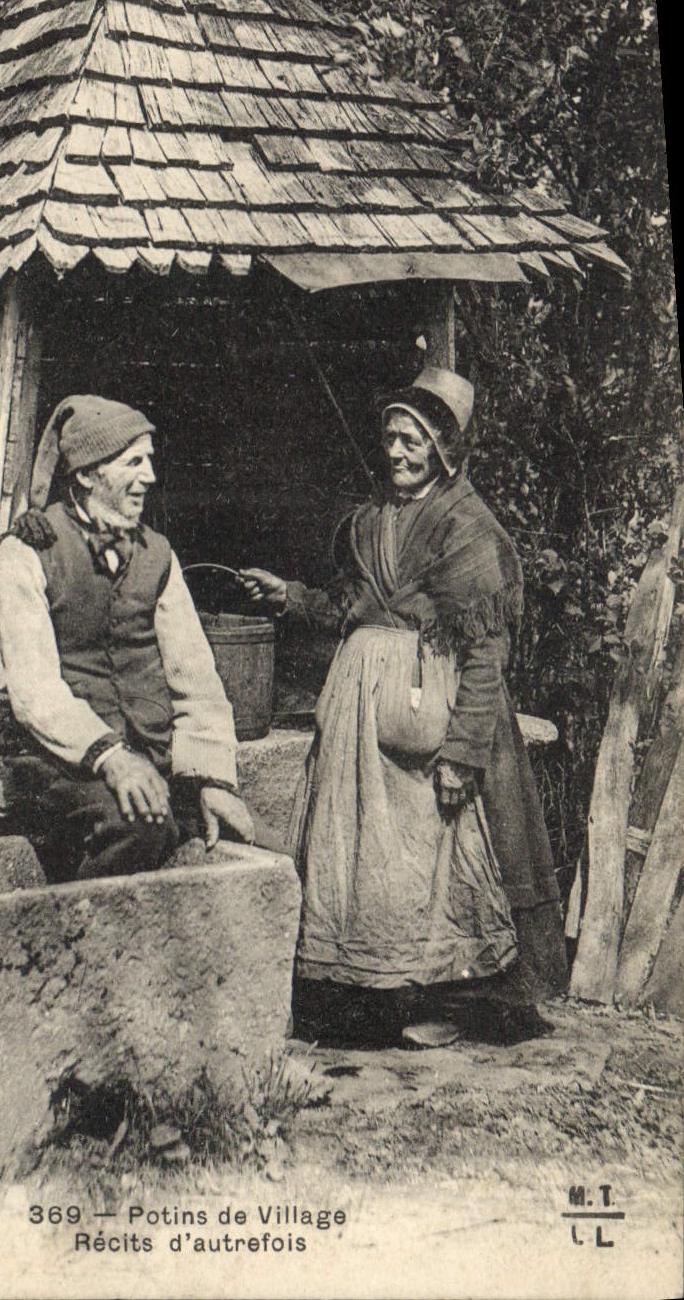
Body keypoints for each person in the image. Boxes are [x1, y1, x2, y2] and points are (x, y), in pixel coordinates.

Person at [240, 367, 568, 1047]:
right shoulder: (374, 522)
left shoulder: (467, 528)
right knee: (365, 861)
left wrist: (463, 753)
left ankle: (453, 1000)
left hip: (436, 712)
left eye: (411, 441)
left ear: (442, 449)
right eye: (390, 438)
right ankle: (368, 999)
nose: (395, 452)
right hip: (359, 725)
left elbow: (485, 653)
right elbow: (349, 606)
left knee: (441, 862)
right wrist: (290, 596)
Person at [0, 394, 255, 881]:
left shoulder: (157, 555)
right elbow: (35, 691)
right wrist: (110, 756)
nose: (149, 477)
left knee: (251, 841)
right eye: (133, 463)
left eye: (149, 461)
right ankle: (78, 924)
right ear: (87, 475)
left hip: (152, 762)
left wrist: (212, 779)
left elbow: (195, 679)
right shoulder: (26, 553)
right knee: (143, 828)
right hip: (67, 766)